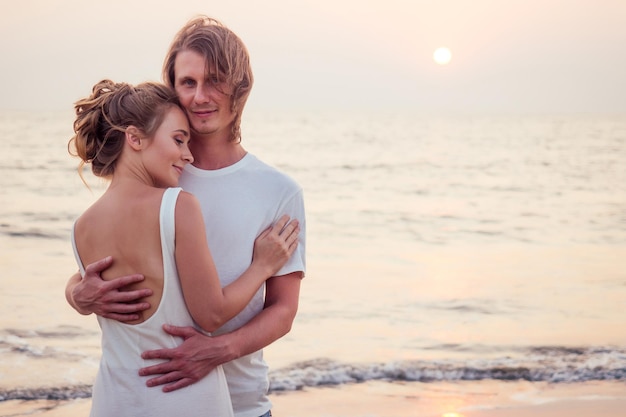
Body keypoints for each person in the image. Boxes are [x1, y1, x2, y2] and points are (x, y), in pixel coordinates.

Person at [65, 16, 307, 417]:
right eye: (188, 83)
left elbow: (283, 311)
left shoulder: (277, 190)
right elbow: (112, 250)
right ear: (172, 87)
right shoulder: (159, 167)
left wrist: (217, 351)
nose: (200, 96)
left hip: (244, 403)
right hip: (161, 397)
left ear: (240, 88)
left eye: (215, 81)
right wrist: (76, 292)